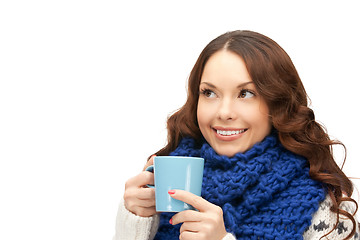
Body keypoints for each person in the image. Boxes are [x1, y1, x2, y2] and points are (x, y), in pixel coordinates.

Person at [113, 30, 359, 240]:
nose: (224, 112)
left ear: (278, 103)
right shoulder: (167, 182)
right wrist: (134, 221)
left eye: (246, 94)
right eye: (209, 93)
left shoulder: (329, 208)